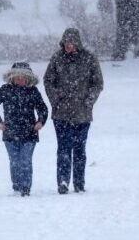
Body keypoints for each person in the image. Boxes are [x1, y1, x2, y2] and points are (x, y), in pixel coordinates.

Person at [44, 28, 103, 194]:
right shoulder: (57, 58)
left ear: (77, 42)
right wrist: (56, 99)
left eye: (71, 43)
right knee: (63, 149)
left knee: (79, 150)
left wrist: (88, 101)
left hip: (82, 114)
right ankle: (63, 182)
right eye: (66, 43)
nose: (68, 46)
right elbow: (48, 81)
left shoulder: (89, 58)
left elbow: (97, 83)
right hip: (61, 113)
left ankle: (79, 183)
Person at [0, 62, 48, 196]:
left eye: (23, 77)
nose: (20, 80)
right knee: (14, 161)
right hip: (10, 133)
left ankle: (26, 188)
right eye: (17, 77)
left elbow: (43, 108)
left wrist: (40, 122)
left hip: (29, 133)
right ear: (12, 78)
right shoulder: (5, 90)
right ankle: (16, 187)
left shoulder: (33, 91)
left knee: (25, 160)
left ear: (29, 79)